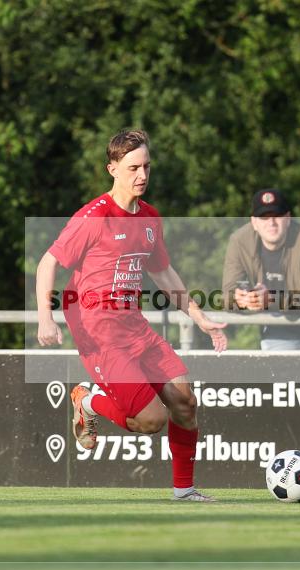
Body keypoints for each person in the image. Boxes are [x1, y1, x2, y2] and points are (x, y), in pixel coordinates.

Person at [36, 129, 228, 501]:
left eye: (147, 167)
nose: (142, 176)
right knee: (151, 421)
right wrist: (46, 316)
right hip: (99, 335)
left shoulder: (150, 218)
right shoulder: (94, 216)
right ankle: (87, 400)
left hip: (134, 327)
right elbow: (48, 262)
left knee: (185, 400)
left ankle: (184, 492)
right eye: (133, 168)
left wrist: (199, 317)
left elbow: (164, 273)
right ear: (112, 169)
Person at [221, 189, 300, 350]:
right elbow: (226, 296)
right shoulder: (239, 241)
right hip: (278, 322)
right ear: (254, 222)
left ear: (288, 218)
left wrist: (269, 300)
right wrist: (241, 300)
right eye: (264, 217)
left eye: (277, 216)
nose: (271, 223)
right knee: (279, 373)